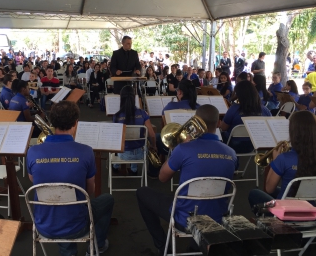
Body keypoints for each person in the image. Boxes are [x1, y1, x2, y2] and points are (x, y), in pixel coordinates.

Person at [137, 105, 237, 256]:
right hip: (218, 218)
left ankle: (163, 246)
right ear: (218, 124)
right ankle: (196, 245)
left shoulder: (184, 149)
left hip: (186, 218)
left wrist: (178, 150)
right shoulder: (232, 153)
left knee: (142, 193)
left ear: (195, 121)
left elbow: (162, 178)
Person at [26, 101, 114, 256]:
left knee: (60, 208)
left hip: (43, 225)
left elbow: (33, 180)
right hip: (76, 226)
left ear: (52, 123)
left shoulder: (33, 152)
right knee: (107, 200)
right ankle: (98, 245)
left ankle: (68, 251)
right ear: (76, 123)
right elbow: (90, 191)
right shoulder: (86, 152)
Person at [248, 111, 316, 207]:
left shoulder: (283, 159)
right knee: (282, 189)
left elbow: (269, 188)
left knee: (254, 193)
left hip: (287, 210)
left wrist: (275, 161)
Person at [112, 86, 157, 174]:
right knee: (138, 140)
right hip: (141, 154)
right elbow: (152, 134)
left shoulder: (117, 116)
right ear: (134, 98)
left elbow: (115, 139)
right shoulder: (142, 113)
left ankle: (115, 166)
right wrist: (154, 146)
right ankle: (134, 169)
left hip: (123, 154)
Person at [220, 80, 271, 150]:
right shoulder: (265, 110)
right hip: (256, 145)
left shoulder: (234, 109)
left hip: (235, 145)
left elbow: (223, 128)